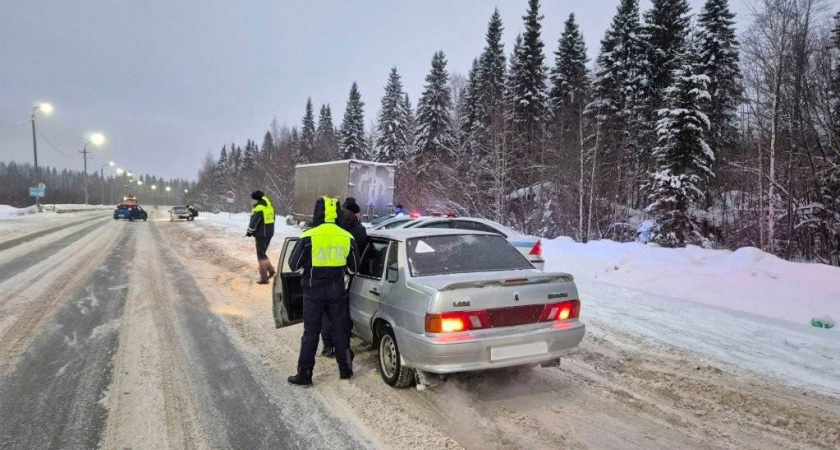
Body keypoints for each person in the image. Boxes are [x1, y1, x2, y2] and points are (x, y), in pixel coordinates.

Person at [287, 197, 358, 386]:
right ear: (337, 214)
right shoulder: (347, 237)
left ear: (316, 212)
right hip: (337, 291)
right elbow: (353, 268)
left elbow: (293, 265)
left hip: (312, 291)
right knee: (340, 331)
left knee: (311, 333)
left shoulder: (308, 236)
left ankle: (305, 375)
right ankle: (346, 370)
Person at [320, 197, 369, 358]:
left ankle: (328, 346)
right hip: (346, 276)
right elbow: (361, 253)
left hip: (324, 274)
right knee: (342, 312)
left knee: (327, 312)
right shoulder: (358, 230)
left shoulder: (331, 225)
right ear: (355, 213)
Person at [246, 190, 276, 284]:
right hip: (269, 234)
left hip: (261, 235)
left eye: (253, 199)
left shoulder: (259, 208)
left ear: (257, 199)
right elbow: (273, 219)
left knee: (261, 256)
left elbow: (254, 223)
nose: (252, 201)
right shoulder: (269, 207)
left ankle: (264, 278)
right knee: (263, 253)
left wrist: (249, 232)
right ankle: (271, 271)